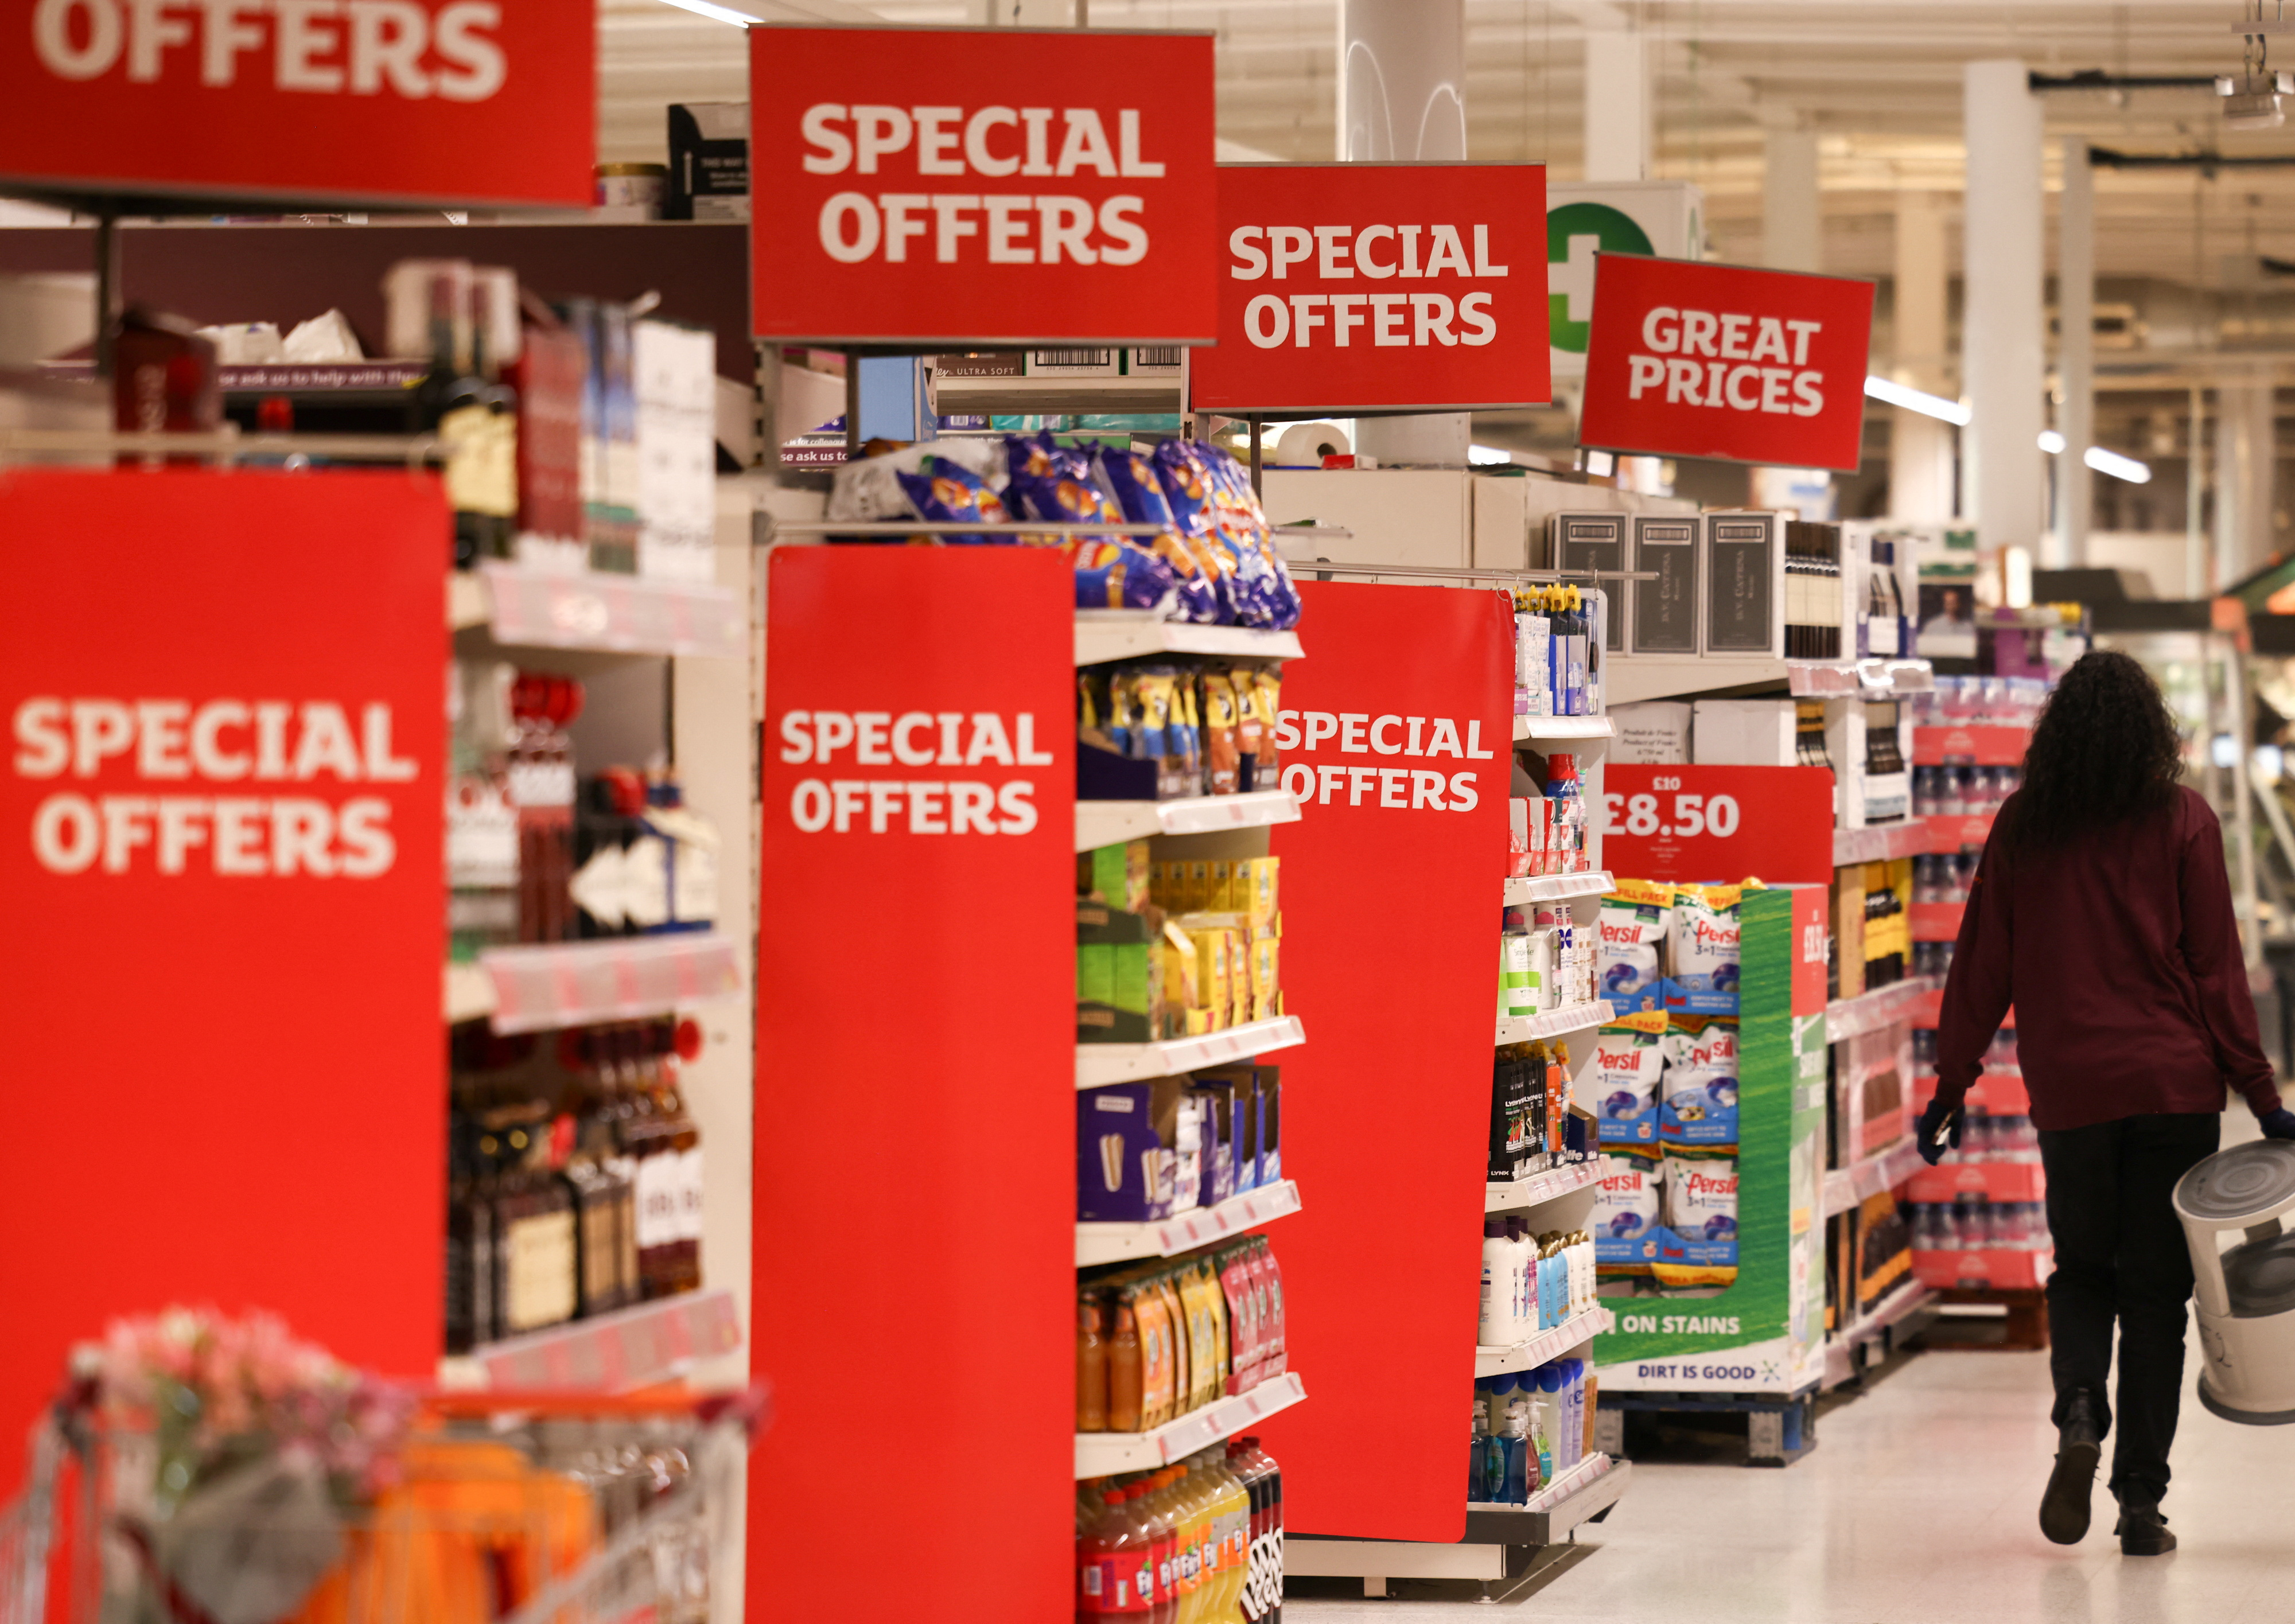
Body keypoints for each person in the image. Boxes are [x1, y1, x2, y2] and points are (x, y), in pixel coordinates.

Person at [1919, 650, 2295, 1557]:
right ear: (2151, 735)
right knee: (2158, 1297)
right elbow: (2216, 974)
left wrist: (1952, 1078)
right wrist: (2263, 1093)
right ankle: (2139, 1505)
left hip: (2074, 1090)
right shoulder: (2186, 821)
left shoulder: (2025, 827)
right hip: (2174, 1088)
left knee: (2082, 1271)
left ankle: (2081, 1409)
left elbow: (1984, 964)